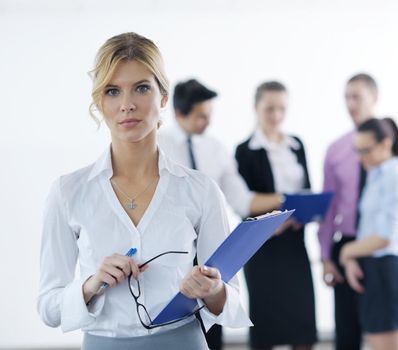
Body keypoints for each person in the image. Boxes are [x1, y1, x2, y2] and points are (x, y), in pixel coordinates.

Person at [37, 32, 251, 350]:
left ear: (163, 97)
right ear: (99, 102)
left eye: (141, 88)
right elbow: (49, 307)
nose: (127, 105)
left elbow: (229, 300)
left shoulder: (201, 190)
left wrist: (212, 289)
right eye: (112, 91)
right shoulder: (68, 193)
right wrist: (91, 284)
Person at [157, 79, 283, 349]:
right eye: (201, 116)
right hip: (171, 256)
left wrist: (280, 204)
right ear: (179, 113)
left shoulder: (215, 148)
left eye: (210, 116)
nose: (207, 123)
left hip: (211, 255)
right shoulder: (157, 147)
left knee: (212, 331)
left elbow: (241, 200)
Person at [318, 73, 398, 350]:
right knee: (349, 333)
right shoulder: (346, 154)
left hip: (386, 256)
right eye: (346, 97)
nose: (350, 103)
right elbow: (330, 209)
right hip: (355, 245)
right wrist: (333, 255)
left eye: (356, 96)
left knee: (391, 335)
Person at [235, 81, 317, 350]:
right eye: (270, 109)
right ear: (256, 108)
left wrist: (309, 209)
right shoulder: (245, 151)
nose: (276, 116)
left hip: (295, 245)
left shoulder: (296, 145)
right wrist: (280, 211)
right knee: (266, 326)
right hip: (263, 247)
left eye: (282, 109)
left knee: (303, 325)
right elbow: (244, 204)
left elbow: (306, 191)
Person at [339, 117, 398, 350]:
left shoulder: (396, 178)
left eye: (366, 150)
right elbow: (369, 229)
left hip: (388, 270)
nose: (360, 157)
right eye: (357, 150)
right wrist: (353, 258)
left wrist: (346, 251)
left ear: (386, 144)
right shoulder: (376, 172)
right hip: (374, 268)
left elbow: (385, 237)